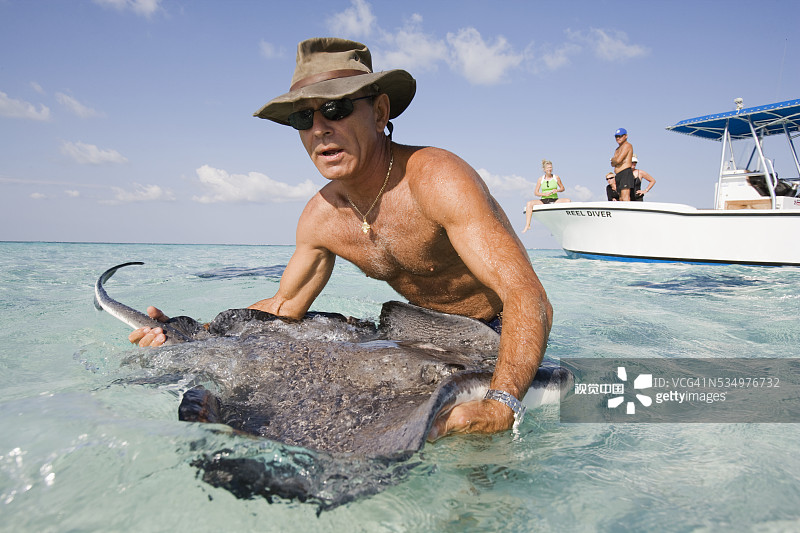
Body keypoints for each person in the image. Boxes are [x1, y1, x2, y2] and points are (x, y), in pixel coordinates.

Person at [128, 38, 553, 440]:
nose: (319, 129)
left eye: (335, 108)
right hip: (416, 334)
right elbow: (284, 307)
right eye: (303, 118)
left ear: (380, 112)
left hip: (496, 331)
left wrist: (501, 404)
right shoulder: (321, 217)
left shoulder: (437, 180)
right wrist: (191, 330)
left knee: (477, 460)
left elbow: (526, 296)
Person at [523, 159, 570, 233]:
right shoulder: (540, 179)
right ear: (544, 169)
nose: (550, 169)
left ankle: (565, 223)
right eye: (548, 168)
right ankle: (527, 225)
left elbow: (562, 188)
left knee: (568, 201)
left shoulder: (556, 177)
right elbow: (536, 192)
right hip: (544, 200)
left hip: (555, 200)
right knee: (529, 203)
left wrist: (557, 190)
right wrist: (544, 194)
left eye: (551, 167)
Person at [610, 128, 634, 201]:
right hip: (618, 174)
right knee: (620, 197)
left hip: (625, 172)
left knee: (625, 196)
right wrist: (615, 161)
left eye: (620, 136)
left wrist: (615, 160)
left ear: (625, 136)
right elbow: (612, 163)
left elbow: (618, 160)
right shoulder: (617, 149)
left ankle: (628, 209)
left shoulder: (627, 145)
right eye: (616, 136)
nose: (618, 138)